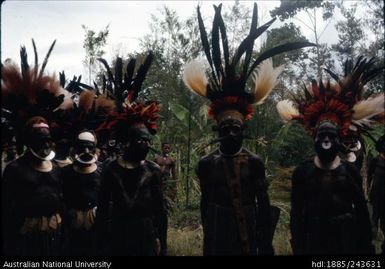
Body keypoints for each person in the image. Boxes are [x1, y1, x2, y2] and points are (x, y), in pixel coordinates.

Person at [182, 3, 314, 256]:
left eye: (236, 128)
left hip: (247, 228)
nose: (231, 133)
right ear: (216, 129)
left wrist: (265, 242)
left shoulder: (253, 162)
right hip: (219, 230)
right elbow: (205, 202)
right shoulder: (206, 163)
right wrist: (208, 236)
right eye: (226, 128)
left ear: (244, 129)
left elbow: (262, 202)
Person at [276, 57, 383, 254]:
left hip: (344, 239)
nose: (326, 141)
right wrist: (297, 243)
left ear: (339, 139)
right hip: (313, 239)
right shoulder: (303, 172)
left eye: (331, 136)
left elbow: (360, 210)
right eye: (322, 136)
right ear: (314, 138)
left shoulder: (350, 171)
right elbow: (296, 212)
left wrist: (366, 245)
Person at [2, 40, 72, 255]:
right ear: (28, 139)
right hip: (25, 238)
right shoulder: (15, 169)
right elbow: (6, 208)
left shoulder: (57, 168)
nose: (45, 143)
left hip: (55, 233)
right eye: (39, 138)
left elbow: (62, 200)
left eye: (48, 138)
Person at [96, 52, 167, 256]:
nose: (145, 145)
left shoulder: (152, 170)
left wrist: (164, 244)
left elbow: (160, 211)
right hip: (118, 235)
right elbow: (102, 209)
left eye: (148, 140)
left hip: (145, 234)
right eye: (140, 140)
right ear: (126, 143)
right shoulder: (110, 169)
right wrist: (100, 242)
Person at [61, 130, 101, 255]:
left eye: (90, 147)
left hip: (94, 219)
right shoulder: (66, 172)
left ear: (95, 149)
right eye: (83, 147)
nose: (87, 151)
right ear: (75, 149)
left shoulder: (102, 170)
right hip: (72, 219)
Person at [367, 134, 385, 254]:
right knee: (375, 217)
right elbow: (369, 176)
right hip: (377, 195)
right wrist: (368, 190)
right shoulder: (376, 160)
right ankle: (372, 237)